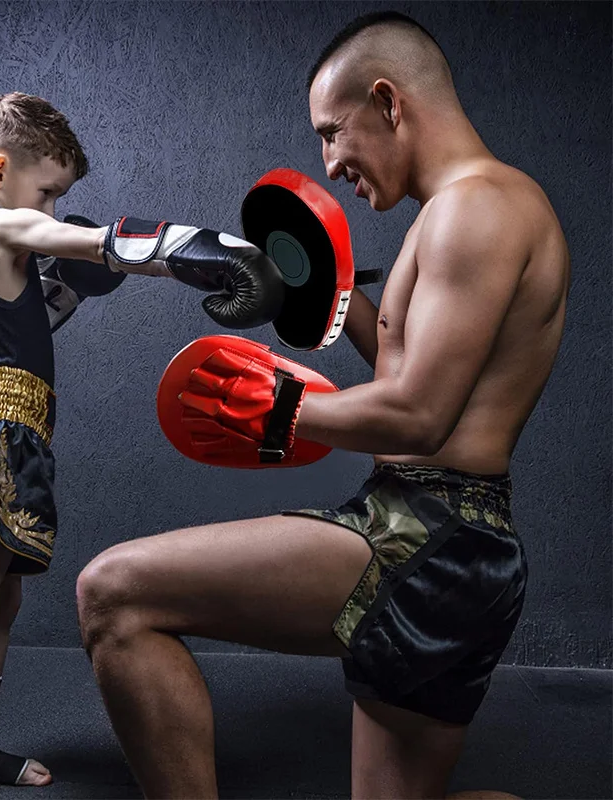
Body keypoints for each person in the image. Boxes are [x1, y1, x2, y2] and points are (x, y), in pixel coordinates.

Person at [75, 11, 569, 799]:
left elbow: (417, 417)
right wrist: (301, 296)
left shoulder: (479, 211)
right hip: (459, 544)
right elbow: (410, 367)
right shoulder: (459, 212)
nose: (331, 162)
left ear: (389, 101)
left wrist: (275, 409)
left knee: (113, 592)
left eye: (334, 132)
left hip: (426, 534)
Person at [0, 92, 283, 786]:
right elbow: (94, 243)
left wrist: (85, 279)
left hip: (14, 430)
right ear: (0, 172)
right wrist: (213, 253)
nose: (53, 213)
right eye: (48, 193)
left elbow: (36, 316)